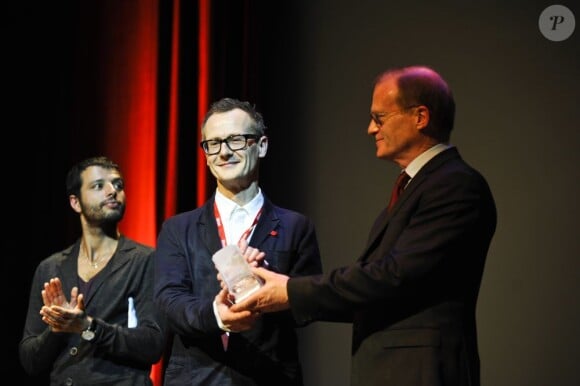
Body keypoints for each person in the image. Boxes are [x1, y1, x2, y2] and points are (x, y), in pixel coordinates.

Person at [230, 65, 497, 386]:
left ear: (420, 117)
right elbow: (375, 292)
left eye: (380, 118)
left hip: (421, 371)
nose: (371, 129)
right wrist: (281, 291)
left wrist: (289, 290)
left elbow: (394, 278)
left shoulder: (454, 185)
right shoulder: (416, 187)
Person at [153, 97, 323, 385]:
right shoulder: (177, 228)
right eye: (214, 143)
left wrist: (265, 286)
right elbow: (168, 303)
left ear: (262, 145)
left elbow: (310, 308)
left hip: (268, 376)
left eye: (235, 140)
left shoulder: (296, 226)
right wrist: (217, 316)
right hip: (195, 378)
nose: (224, 152)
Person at [19, 156, 166, 385]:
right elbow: (30, 360)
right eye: (99, 186)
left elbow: (153, 344)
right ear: (75, 202)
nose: (112, 191)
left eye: (118, 185)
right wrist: (57, 329)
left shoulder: (145, 260)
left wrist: (88, 326)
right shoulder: (51, 268)